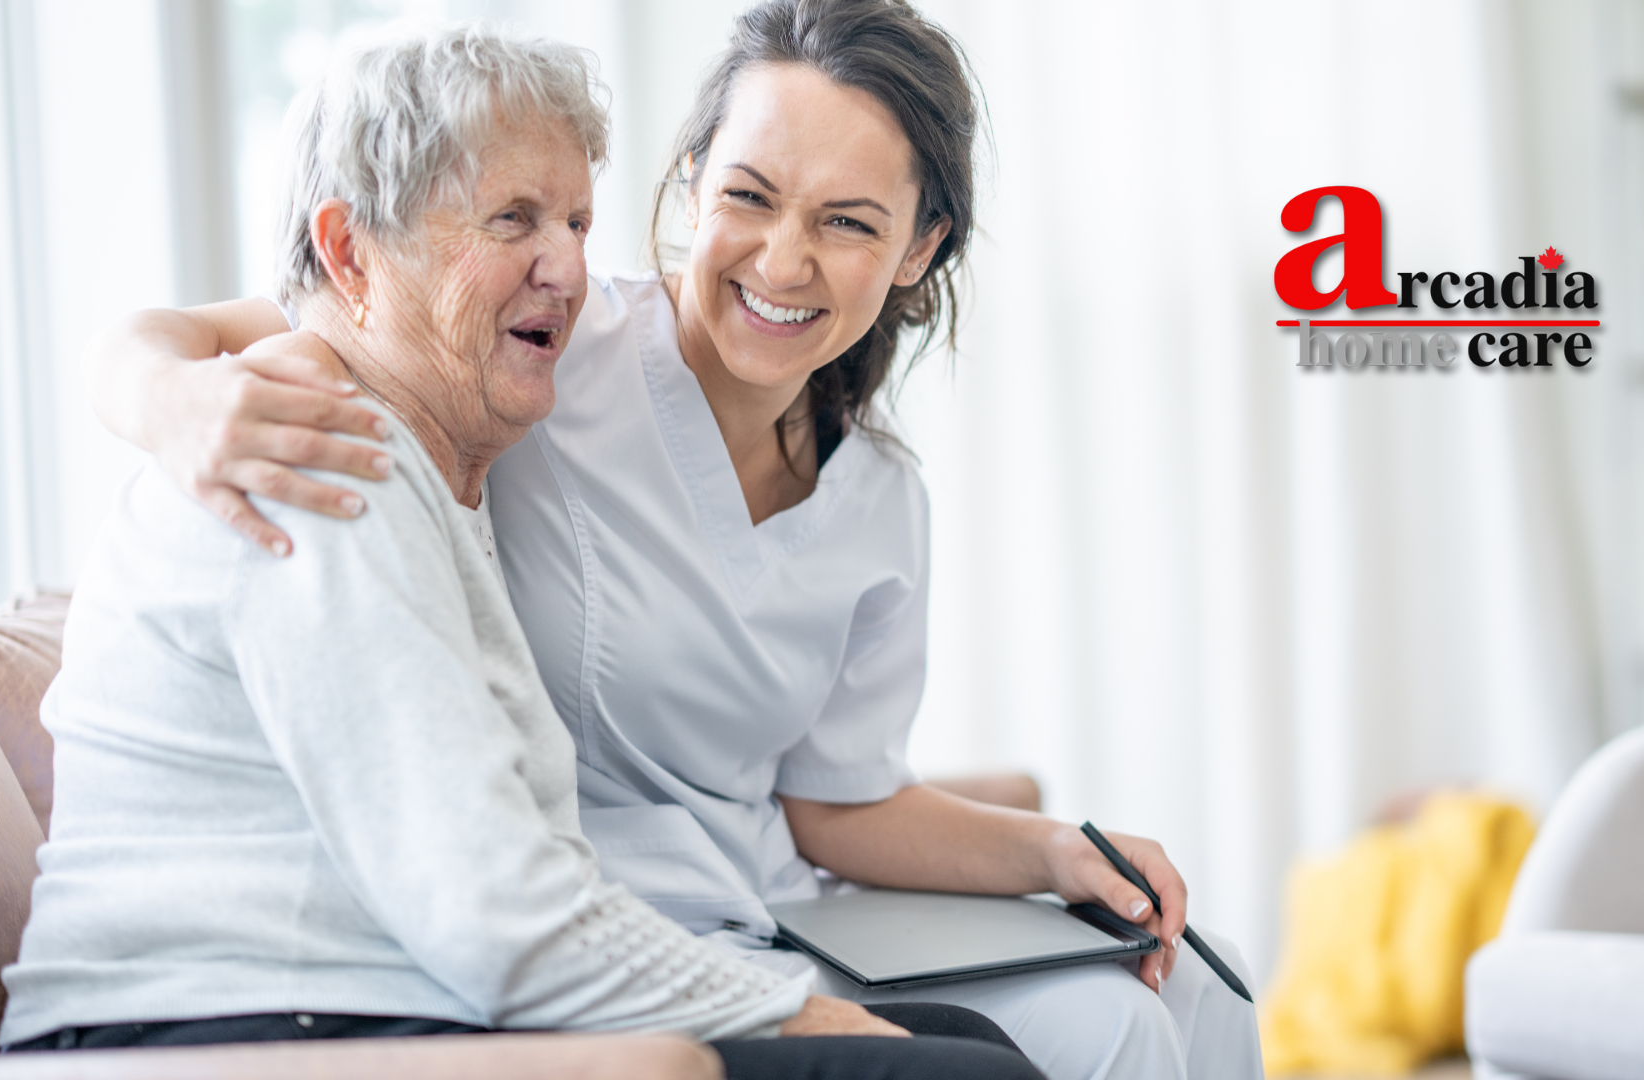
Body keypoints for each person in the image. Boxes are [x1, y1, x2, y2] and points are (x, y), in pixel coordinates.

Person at [88, 3, 1266, 1078]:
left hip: (773, 914)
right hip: (588, 930)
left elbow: (832, 801)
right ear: (693, 183)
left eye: (848, 223)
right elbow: (302, 317)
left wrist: (1052, 852)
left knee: (1200, 1000)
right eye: (749, 196)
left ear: (917, 251)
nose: (784, 261)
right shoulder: (534, 344)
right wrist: (166, 401)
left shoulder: (879, 500)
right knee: (1100, 1041)